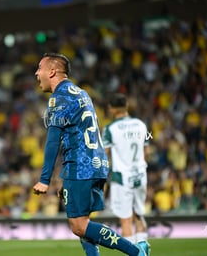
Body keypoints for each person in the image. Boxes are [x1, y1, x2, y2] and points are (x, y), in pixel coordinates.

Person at [32, 53, 149, 256]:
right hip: (95, 162)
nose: (36, 73)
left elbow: (53, 141)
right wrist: (65, 177)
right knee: (82, 221)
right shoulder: (81, 93)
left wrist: (45, 179)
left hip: (81, 164)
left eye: (40, 68)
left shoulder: (58, 98)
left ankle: (137, 252)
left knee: (79, 225)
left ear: (52, 71)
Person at [102, 93, 150, 252]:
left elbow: (105, 154)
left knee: (126, 220)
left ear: (111, 108)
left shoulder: (110, 129)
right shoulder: (141, 125)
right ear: (127, 105)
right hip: (141, 175)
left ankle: (134, 254)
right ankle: (143, 252)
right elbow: (146, 150)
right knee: (139, 216)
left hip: (122, 179)